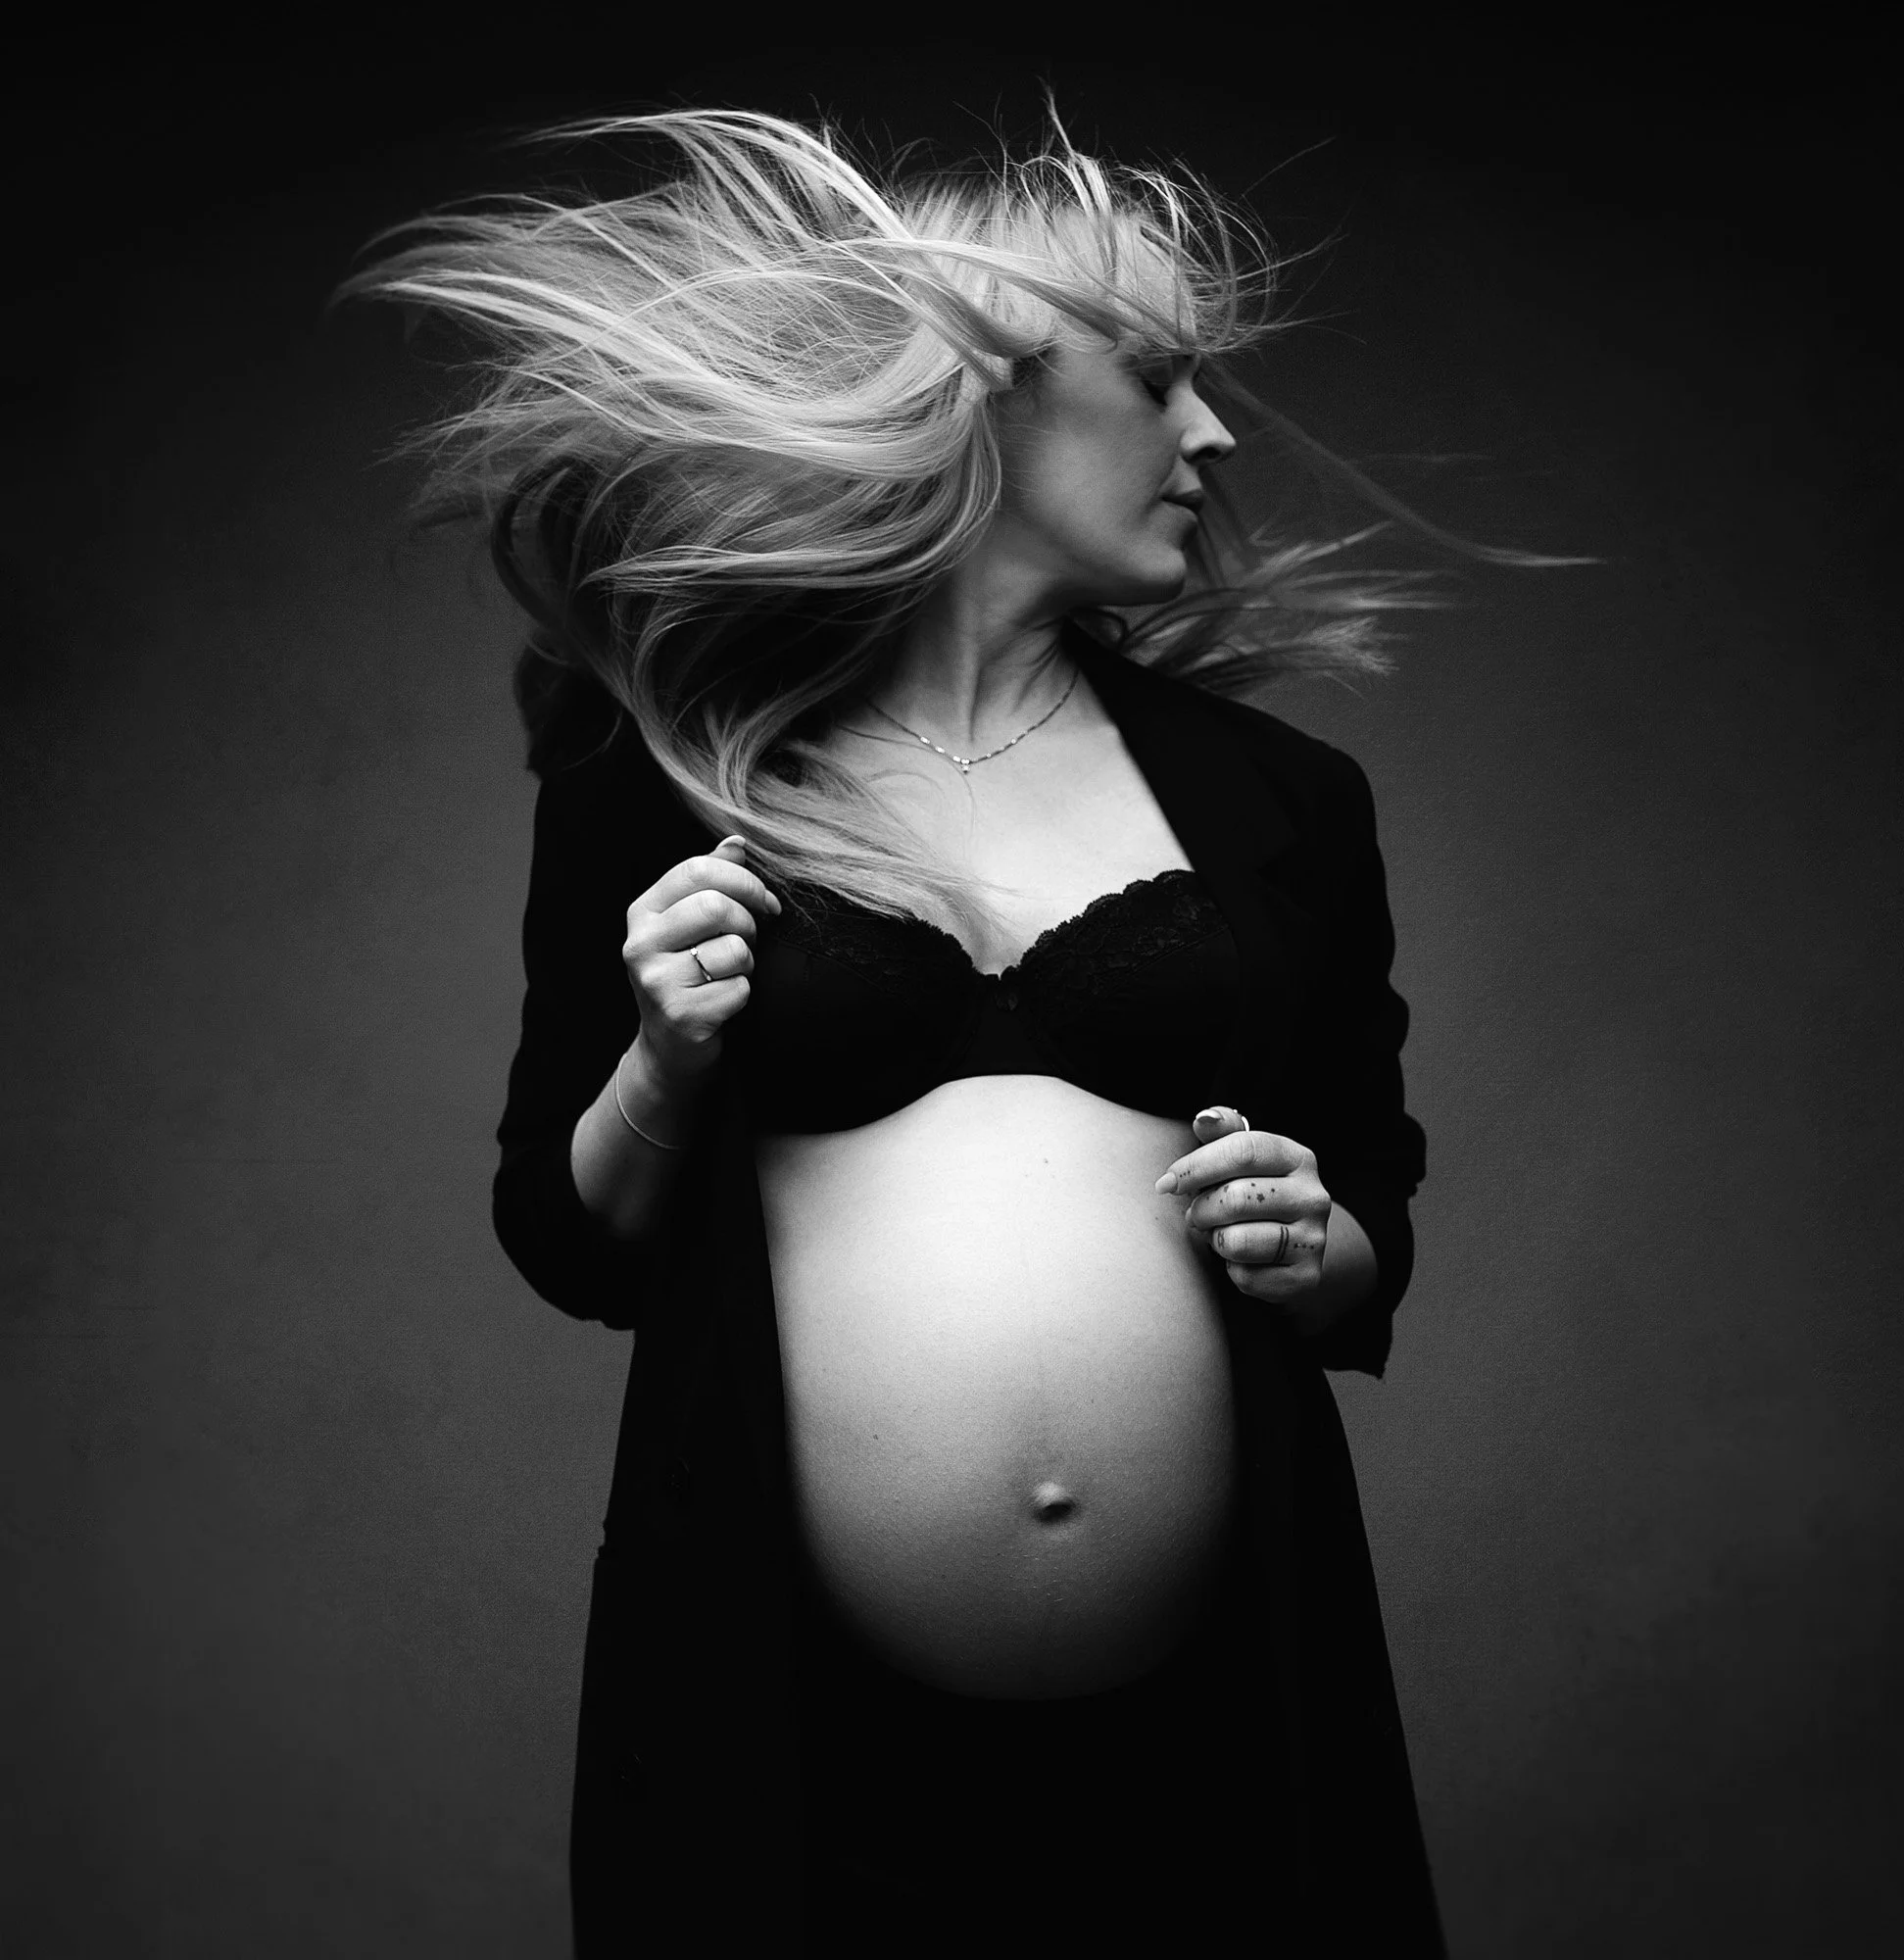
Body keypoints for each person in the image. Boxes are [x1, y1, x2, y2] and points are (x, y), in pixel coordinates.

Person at [351, 107, 1457, 1956]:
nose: (1216, 436)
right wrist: (660, 1063)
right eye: (1164, 380)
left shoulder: (1283, 803)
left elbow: (1374, 1245)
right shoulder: (673, 788)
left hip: (1218, 1739)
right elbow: (569, 1243)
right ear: (980, 400)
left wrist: (1311, 1229)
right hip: (788, 1747)